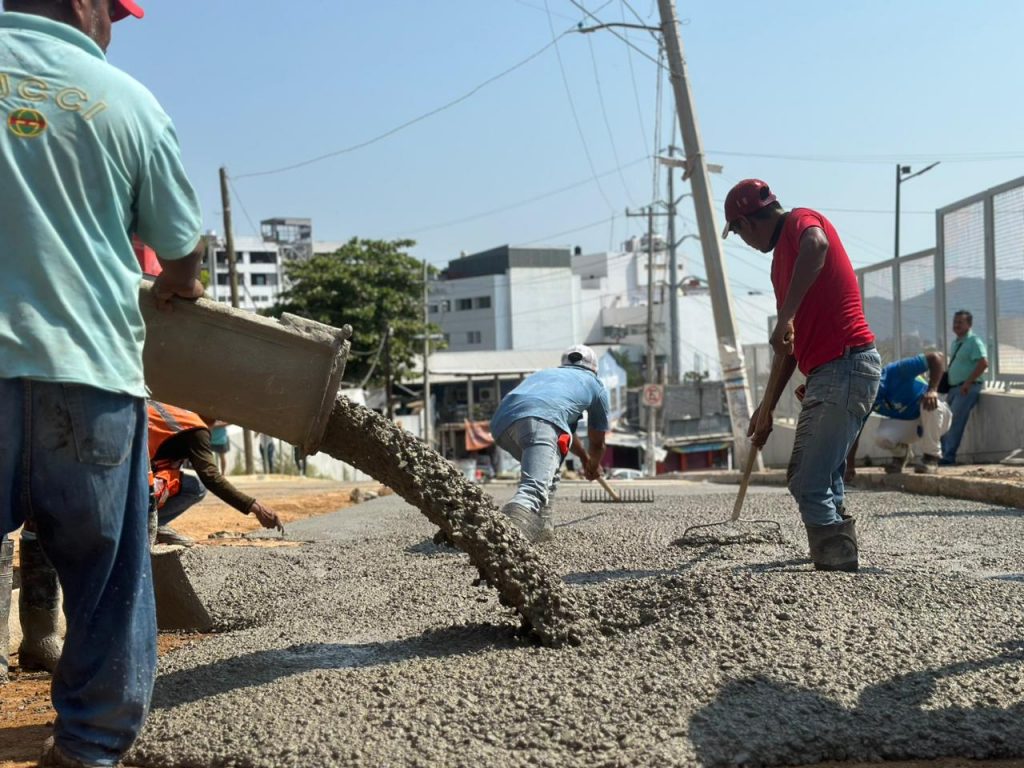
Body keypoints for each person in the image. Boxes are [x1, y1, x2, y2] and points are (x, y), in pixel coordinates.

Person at [0, 1, 208, 764]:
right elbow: (180, 249)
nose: (112, 30)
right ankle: (87, 749)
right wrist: (179, 286)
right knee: (109, 580)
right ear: (82, 3)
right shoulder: (127, 102)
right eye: (113, 12)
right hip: (89, 380)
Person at [723, 179, 880, 572]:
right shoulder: (780, 265)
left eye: (737, 233)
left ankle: (836, 562)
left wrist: (787, 314)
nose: (743, 241)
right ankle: (839, 553)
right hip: (834, 371)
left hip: (845, 365)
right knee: (825, 476)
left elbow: (817, 244)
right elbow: (788, 347)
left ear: (745, 222)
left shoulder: (800, 222)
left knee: (806, 478)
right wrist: (765, 409)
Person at [488, 345, 610, 543]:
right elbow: (597, 442)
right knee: (532, 488)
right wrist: (594, 465)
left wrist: (585, 459)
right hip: (540, 421)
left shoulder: (544, 375)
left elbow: (564, 432)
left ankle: (543, 530)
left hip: (501, 425)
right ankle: (506, 540)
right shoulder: (595, 385)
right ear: (595, 369)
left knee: (550, 470)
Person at [148, 400, 284, 547]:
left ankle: (154, 523)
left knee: (171, 477)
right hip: (132, 477)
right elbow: (210, 476)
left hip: (131, 467)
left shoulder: (175, 412)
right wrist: (256, 507)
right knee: (195, 487)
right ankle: (146, 525)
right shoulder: (195, 428)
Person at [819, 351, 951, 478]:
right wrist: (849, 466)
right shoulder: (865, 399)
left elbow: (936, 357)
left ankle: (931, 458)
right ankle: (902, 454)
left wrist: (932, 390)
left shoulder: (896, 371)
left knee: (929, 405)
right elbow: (855, 433)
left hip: (938, 417)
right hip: (913, 426)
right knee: (882, 437)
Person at [939, 310, 988, 466]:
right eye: (955, 322)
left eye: (960, 322)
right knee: (944, 420)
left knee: (955, 422)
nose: (956, 325)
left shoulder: (974, 341)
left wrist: (968, 382)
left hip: (967, 388)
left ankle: (948, 457)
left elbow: (983, 363)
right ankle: (942, 454)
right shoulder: (956, 342)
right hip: (954, 388)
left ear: (969, 324)